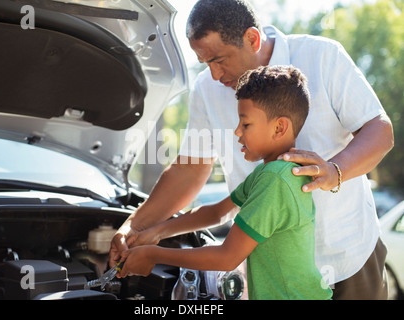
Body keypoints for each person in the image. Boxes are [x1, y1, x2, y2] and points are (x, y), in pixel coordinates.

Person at [110, 0, 394, 299]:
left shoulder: (323, 56)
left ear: (252, 39)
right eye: (205, 63)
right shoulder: (207, 90)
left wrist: (335, 170)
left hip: (348, 256)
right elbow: (190, 171)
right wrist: (138, 227)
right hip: (274, 276)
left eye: (219, 60)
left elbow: (380, 131)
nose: (215, 75)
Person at [119, 65, 333, 300]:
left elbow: (227, 257)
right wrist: (158, 231)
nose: (237, 132)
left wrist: (153, 254)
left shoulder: (276, 179)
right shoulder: (270, 172)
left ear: (279, 127)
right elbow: (219, 213)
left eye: (246, 124)